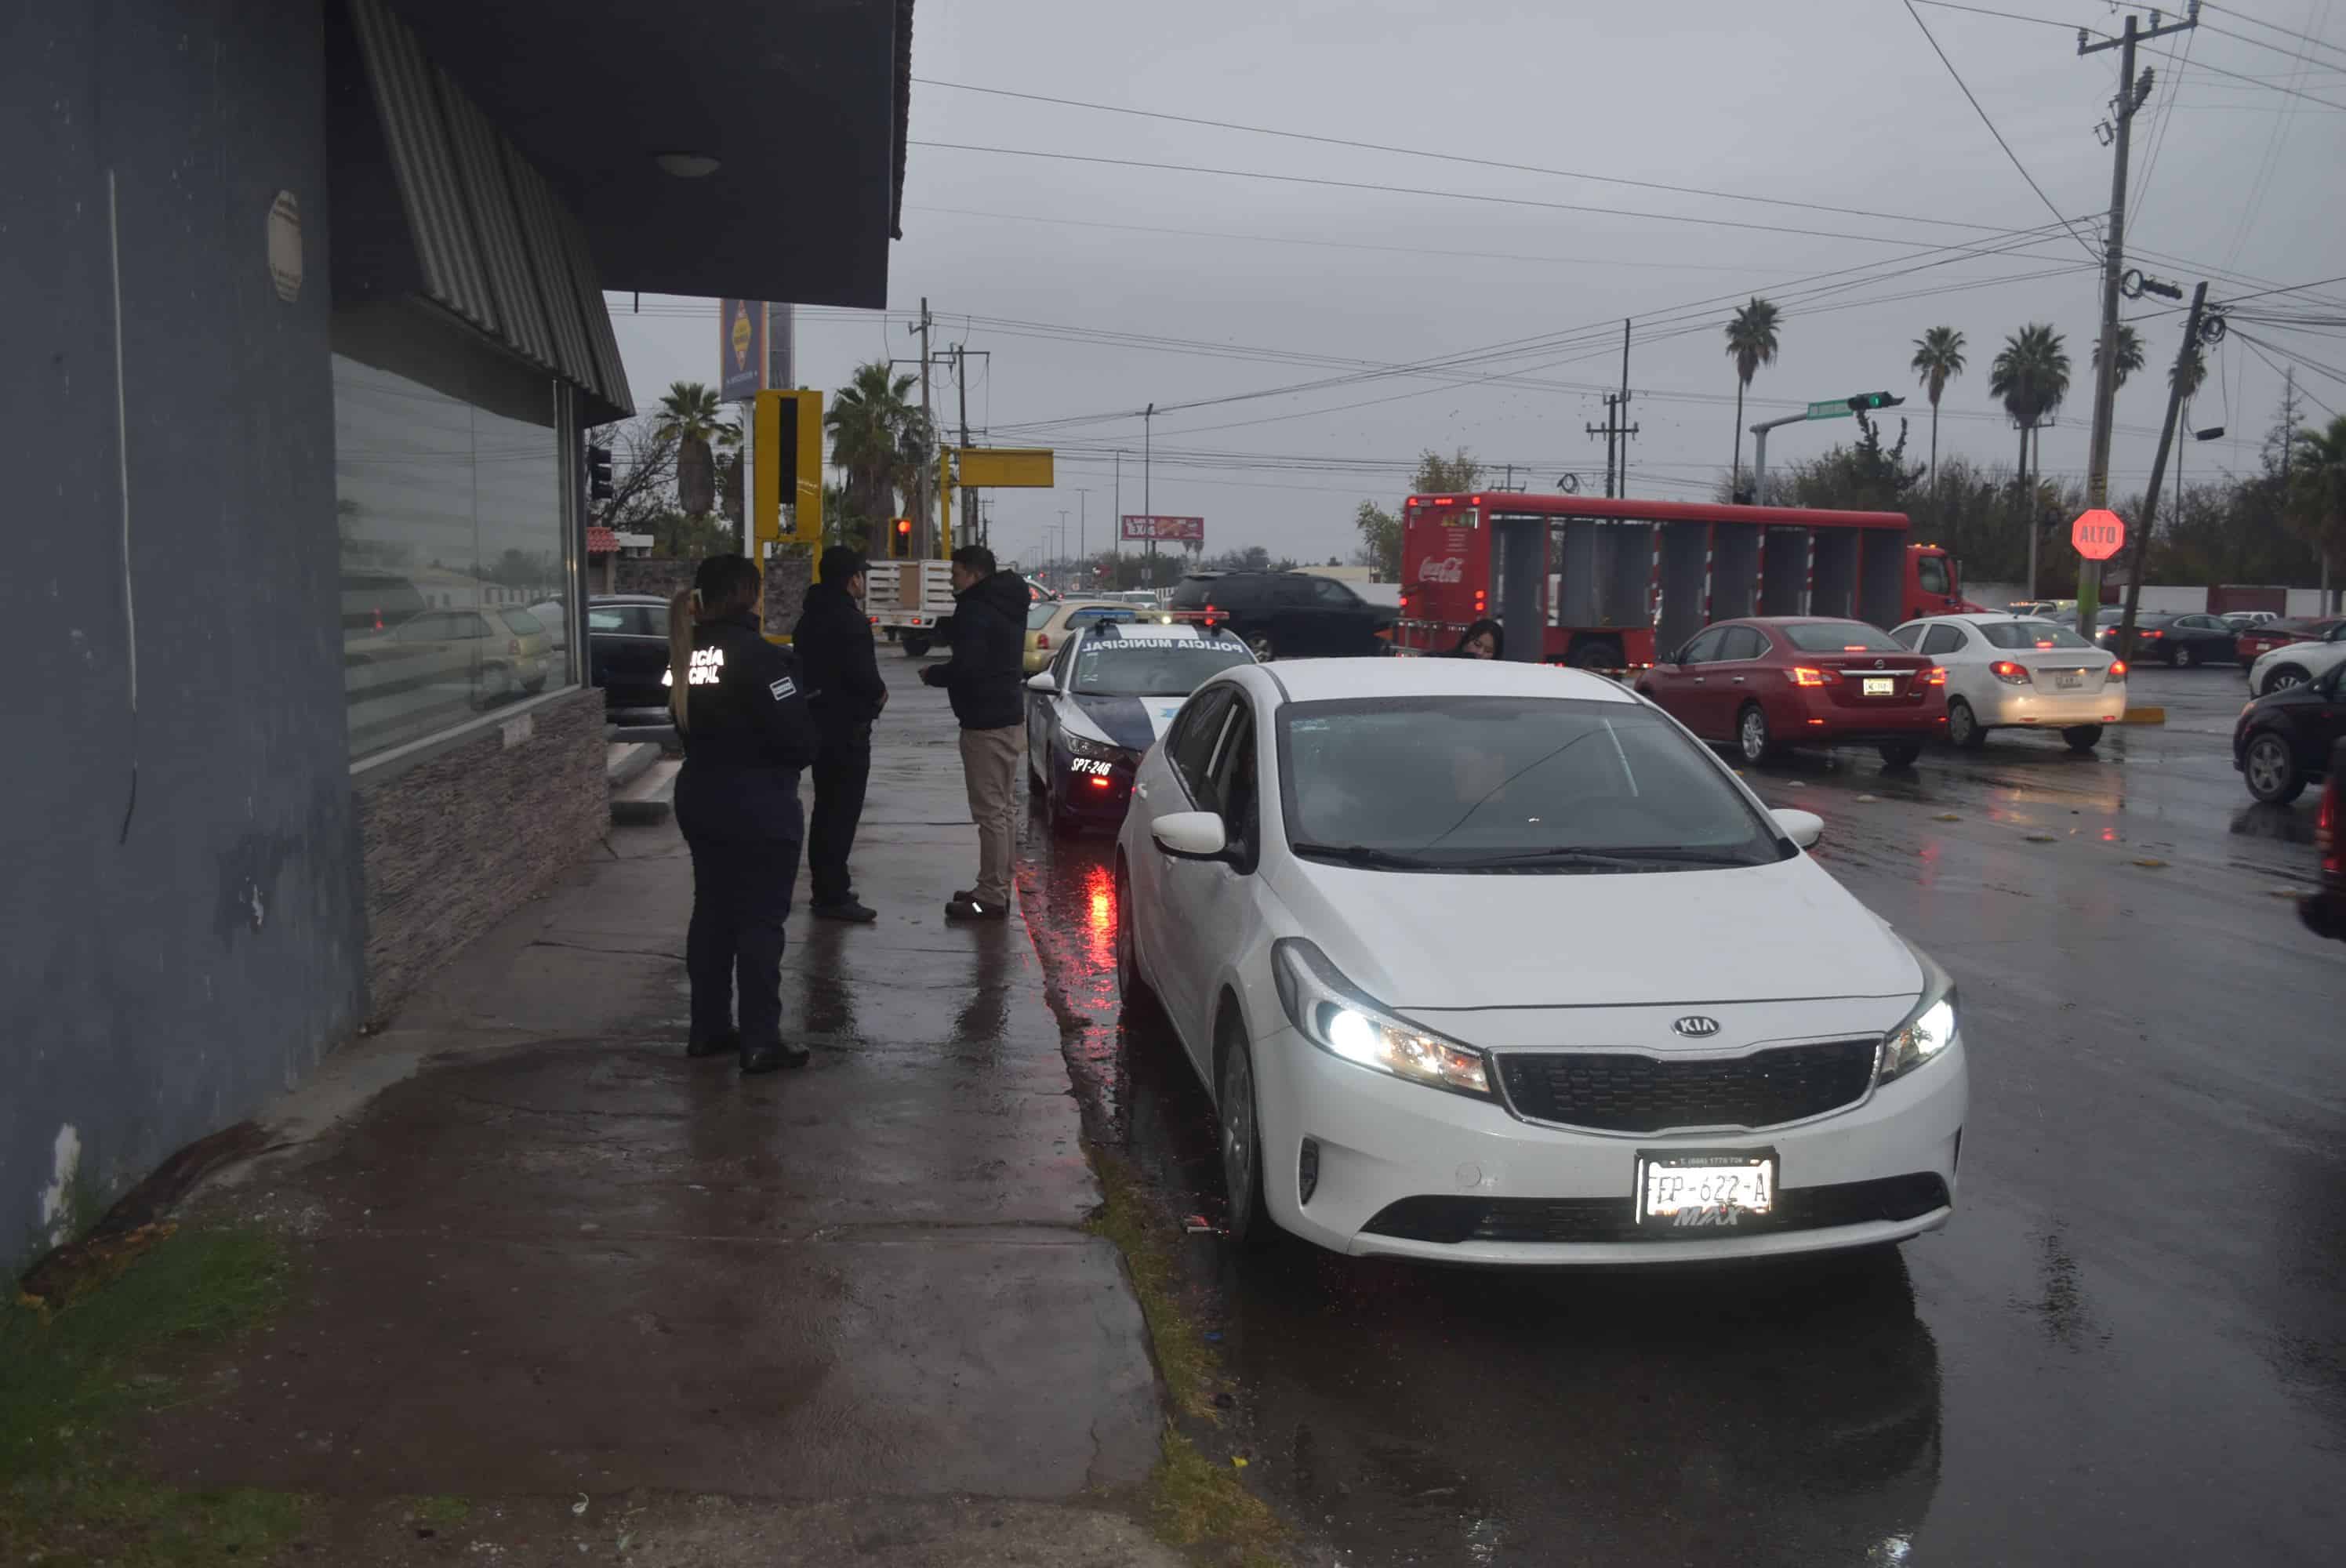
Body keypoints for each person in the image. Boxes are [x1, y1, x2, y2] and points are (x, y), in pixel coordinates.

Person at [666, 555, 820, 1073]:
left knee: (711, 913)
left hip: (700, 794)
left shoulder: (688, 653)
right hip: (756, 801)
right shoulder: (758, 656)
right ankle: (760, 1040)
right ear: (750, 595)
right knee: (759, 920)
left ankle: (707, 1029)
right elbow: (798, 742)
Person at [919, 543, 1030, 920]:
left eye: (956, 573)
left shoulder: (976, 608)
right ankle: (995, 883)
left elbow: (968, 666)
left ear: (974, 574)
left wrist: (933, 674)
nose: (953, 580)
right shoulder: (1007, 602)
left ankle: (992, 896)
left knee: (991, 813)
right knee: (1004, 809)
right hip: (1008, 715)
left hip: (985, 721)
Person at [792, 546, 888, 923]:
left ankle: (827, 888)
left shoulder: (808, 618)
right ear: (852, 579)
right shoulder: (850, 622)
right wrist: (879, 698)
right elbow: (865, 678)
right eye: (860, 575)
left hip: (818, 725)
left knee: (825, 812)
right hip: (848, 730)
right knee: (841, 814)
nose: (862, 581)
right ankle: (834, 895)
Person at [1440, 619, 1505, 659]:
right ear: (1466, 640)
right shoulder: (1445, 661)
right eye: (1477, 645)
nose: (1480, 653)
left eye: (1488, 651)